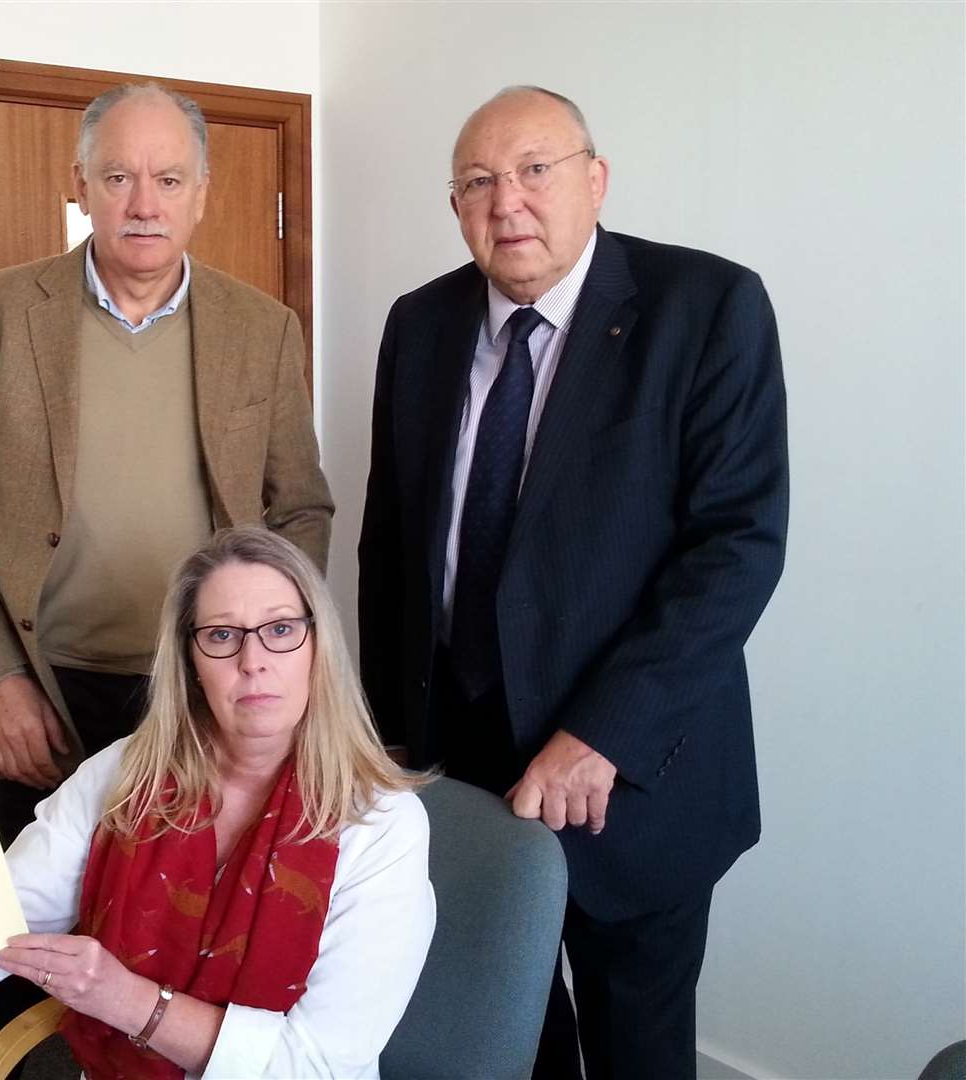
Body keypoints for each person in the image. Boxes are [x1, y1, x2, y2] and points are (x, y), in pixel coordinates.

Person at [358, 85, 788, 1078]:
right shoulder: (418, 326)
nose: (507, 202)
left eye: (534, 171)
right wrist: (380, 740)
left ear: (595, 180)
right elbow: (392, 552)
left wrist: (604, 735)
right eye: (477, 182)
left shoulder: (708, 309)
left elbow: (736, 548)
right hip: (455, 774)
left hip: (633, 780)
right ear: (455, 207)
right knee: (502, 1038)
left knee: (637, 1048)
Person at [0, 527, 433, 1078]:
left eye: (281, 629)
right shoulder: (124, 776)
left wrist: (130, 1002)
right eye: (221, 636)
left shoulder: (381, 826)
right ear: (189, 660)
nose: (254, 660)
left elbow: (316, 1065)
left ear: (319, 646)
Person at [0, 82, 333, 849]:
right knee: (19, 933)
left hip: (204, 686)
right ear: (81, 185)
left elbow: (300, 509)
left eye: (169, 180)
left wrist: (267, 653)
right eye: (117, 177)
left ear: (200, 193)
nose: (144, 203)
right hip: (43, 684)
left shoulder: (263, 329)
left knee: (171, 926)